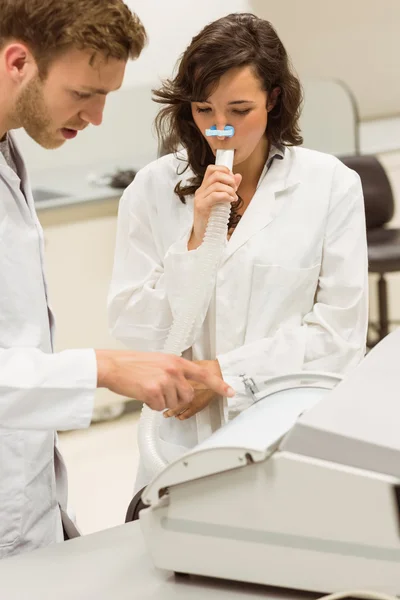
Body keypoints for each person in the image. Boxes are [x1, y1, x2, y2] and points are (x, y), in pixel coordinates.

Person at [0, 0, 234, 558]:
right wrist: (103, 368)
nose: (98, 117)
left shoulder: (9, 149)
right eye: (84, 94)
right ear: (17, 63)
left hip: (28, 497)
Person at [108, 13, 368, 492]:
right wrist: (195, 238)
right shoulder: (151, 190)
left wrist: (224, 374)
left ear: (273, 99)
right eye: (205, 110)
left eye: (239, 110)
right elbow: (133, 324)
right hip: (177, 445)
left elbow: (339, 336)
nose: (220, 131)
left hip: (285, 429)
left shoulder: (330, 185)